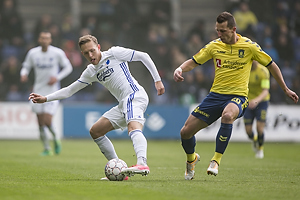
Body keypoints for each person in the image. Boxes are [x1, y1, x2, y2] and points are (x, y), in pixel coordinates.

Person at [173, 12, 299, 180]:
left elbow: (272, 65)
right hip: (215, 96)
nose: (219, 34)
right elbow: (194, 61)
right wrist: (180, 68)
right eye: (217, 30)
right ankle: (192, 159)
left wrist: (285, 89)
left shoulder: (249, 47)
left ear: (233, 29)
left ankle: (216, 160)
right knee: (185, 132)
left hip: (237, 96)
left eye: (223, 31)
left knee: (227, 115)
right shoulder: (214, 46)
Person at [29, 34, 165, 178]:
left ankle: (142, 163)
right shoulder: (91, 71)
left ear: (98, 47)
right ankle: (118, 170)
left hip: (134, 95)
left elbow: (143, 56)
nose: (90, 55)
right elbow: (69, 90)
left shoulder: (114, 53)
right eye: (86, 53)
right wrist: (46, 98)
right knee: (96, 131)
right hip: (123, 103)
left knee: (133, 127)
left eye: (92, 50)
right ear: (82, 54)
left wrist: (157, 80)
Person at [20, 31, 73, 156]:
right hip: (38, 89)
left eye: (47, 38)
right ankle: (46, 148)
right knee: (40, 122)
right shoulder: (33, 53)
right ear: (39, 39)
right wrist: (23, 74)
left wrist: (57, 77)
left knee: (47, 121)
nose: (44, 40)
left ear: (50, 40)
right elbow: (26, 66)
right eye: (42, 38)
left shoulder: (57, 53)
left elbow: (68, 67)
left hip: (53, 92)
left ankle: (56, 138)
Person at [243, 61, 270, 159]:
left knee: (259, 128)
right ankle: (254, 140)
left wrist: (256, 101)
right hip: (248, 102)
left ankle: (260, 149)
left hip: (262, 102)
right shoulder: (244, 69)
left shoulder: (263, 71)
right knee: (248, 131)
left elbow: (265, 91)